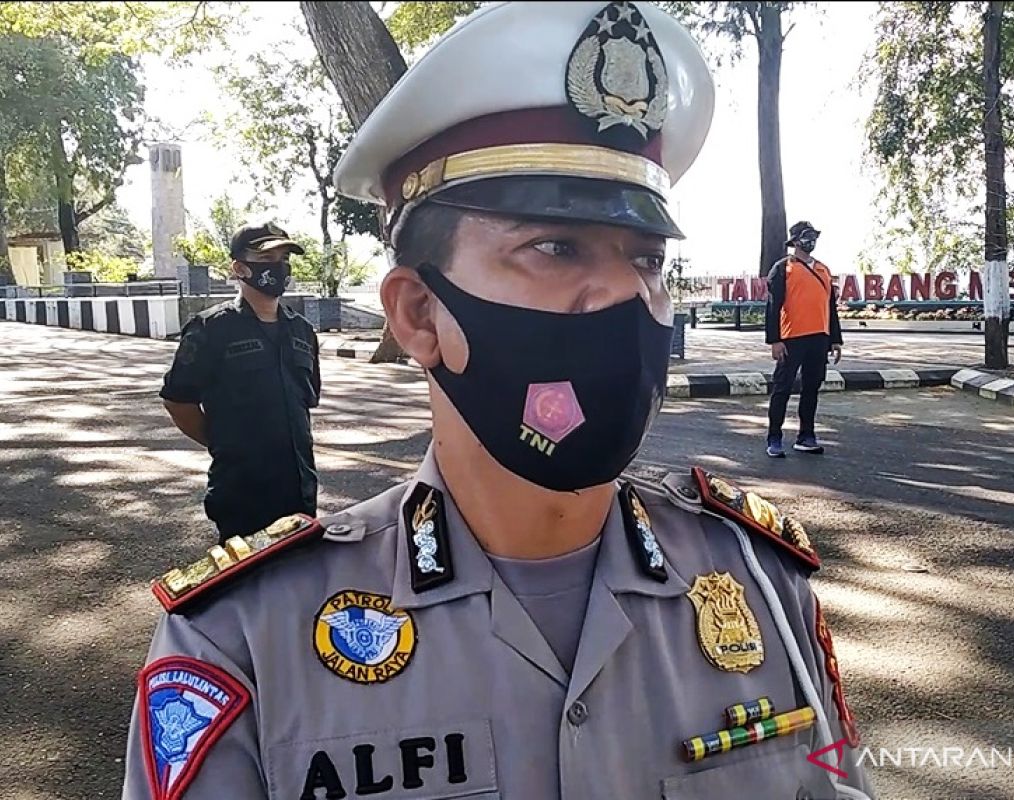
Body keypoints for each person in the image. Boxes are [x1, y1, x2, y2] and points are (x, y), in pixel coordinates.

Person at [121, 4, 873, 799]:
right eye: (556, 247)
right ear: (418, 314)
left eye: (648, 260)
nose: (627, 296)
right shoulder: (240, 643)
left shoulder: (763, 588)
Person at [159, 223, 321, 542]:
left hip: (300, 492)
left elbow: (306, 402)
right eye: (267, 256)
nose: (278, 266)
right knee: (246, 586)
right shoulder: (210, 330)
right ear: (239, 267)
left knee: (301, 585)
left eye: (283, 257)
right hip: (242, 494)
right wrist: (222, 442)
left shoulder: (302, 331)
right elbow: (178, 400)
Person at [764, 220, 844, 458]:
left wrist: (835, 339)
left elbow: (831, 307)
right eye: (807, 237)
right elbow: (772, 306)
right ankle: (774, 438)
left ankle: (806, 436)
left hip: (819, 337)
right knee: (782, 388)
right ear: (796, 241)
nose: (811, 241)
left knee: (812, 387)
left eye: (814, 237)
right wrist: (774, 340)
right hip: (791, 338)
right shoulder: (782, 268)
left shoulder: (823, 270)